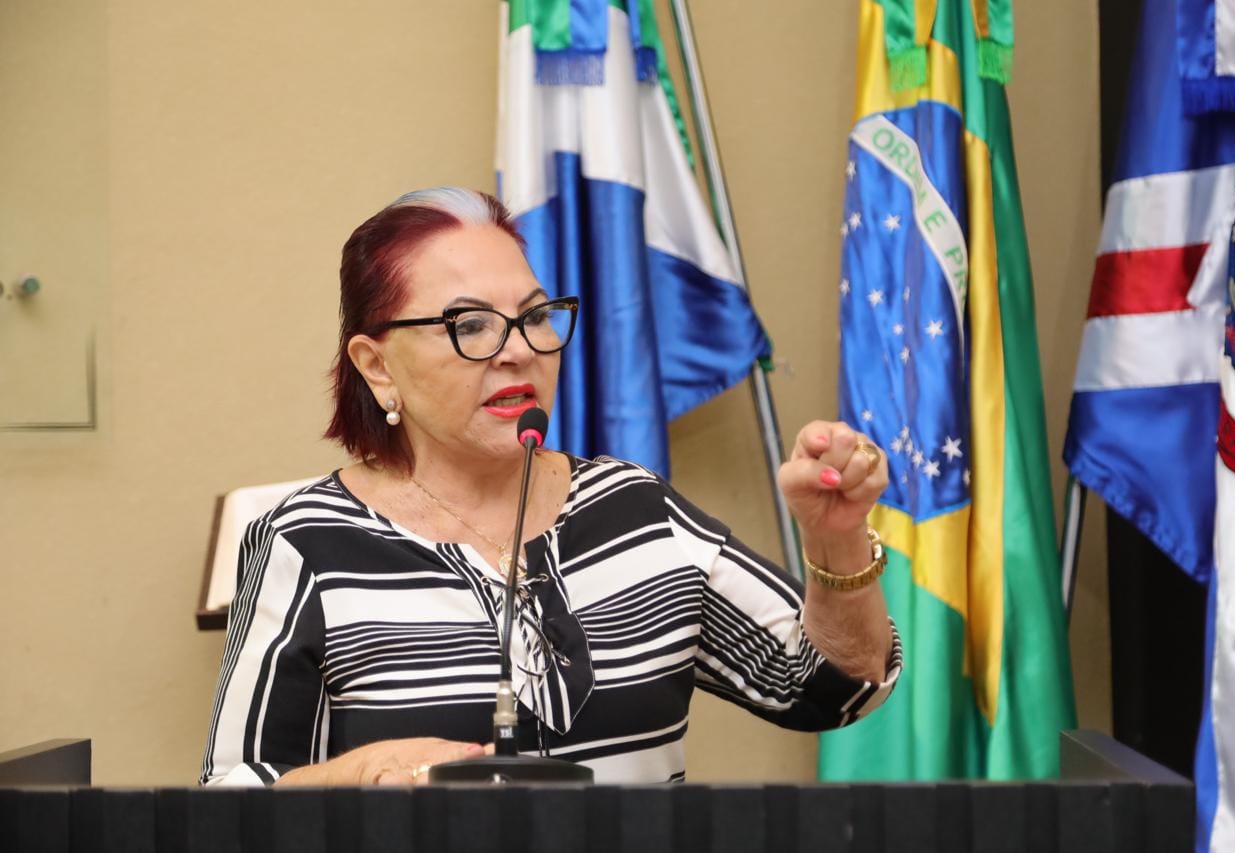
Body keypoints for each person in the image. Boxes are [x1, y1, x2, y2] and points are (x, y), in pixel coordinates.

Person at [201, 188, 902, 786]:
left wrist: (835, 539)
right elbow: (230, 803)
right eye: (469, 324)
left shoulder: (635, 509)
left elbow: (834, 686)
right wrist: (363, 772)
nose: (518, 350)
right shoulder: (306, 542)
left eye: (535, 316)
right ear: (376, 365)